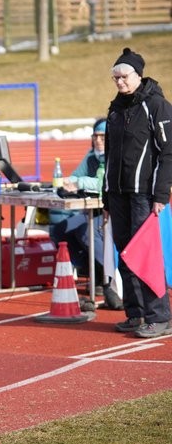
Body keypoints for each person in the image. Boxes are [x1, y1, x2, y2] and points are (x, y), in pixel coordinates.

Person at [103, 47, 172, 338]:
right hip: (117, 194)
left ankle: (160, 316)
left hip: (144, 194)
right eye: (115, 77)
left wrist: (160, 195)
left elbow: (168, 153)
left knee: (145, 255)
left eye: (124, 76)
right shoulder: (115, 109)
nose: (119, 82)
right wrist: (106, 197)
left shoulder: (157, 106)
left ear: (138, 75)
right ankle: (136, 313)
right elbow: (108, 155)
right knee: (125, 254)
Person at [50, 118, 119, 306]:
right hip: (92, 209)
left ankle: (113, 280)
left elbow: (103, 183)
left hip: (113, 211)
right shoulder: (91, 156)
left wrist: (79, 183)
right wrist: (65, 181)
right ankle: (90, 271)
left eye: (103, 137)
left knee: (86, 232)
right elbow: (76, 175)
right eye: (95, 136)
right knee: (60, 230)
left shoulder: (116, 157)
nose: (98, 140)